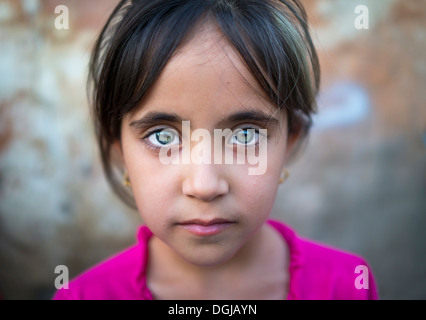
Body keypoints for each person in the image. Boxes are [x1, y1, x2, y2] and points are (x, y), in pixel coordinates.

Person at [53, 0, 378, 300]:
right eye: (162, 137)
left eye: (246, 134)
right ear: (119, 150)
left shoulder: (346, 285)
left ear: (288, 143)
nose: (205, 186)